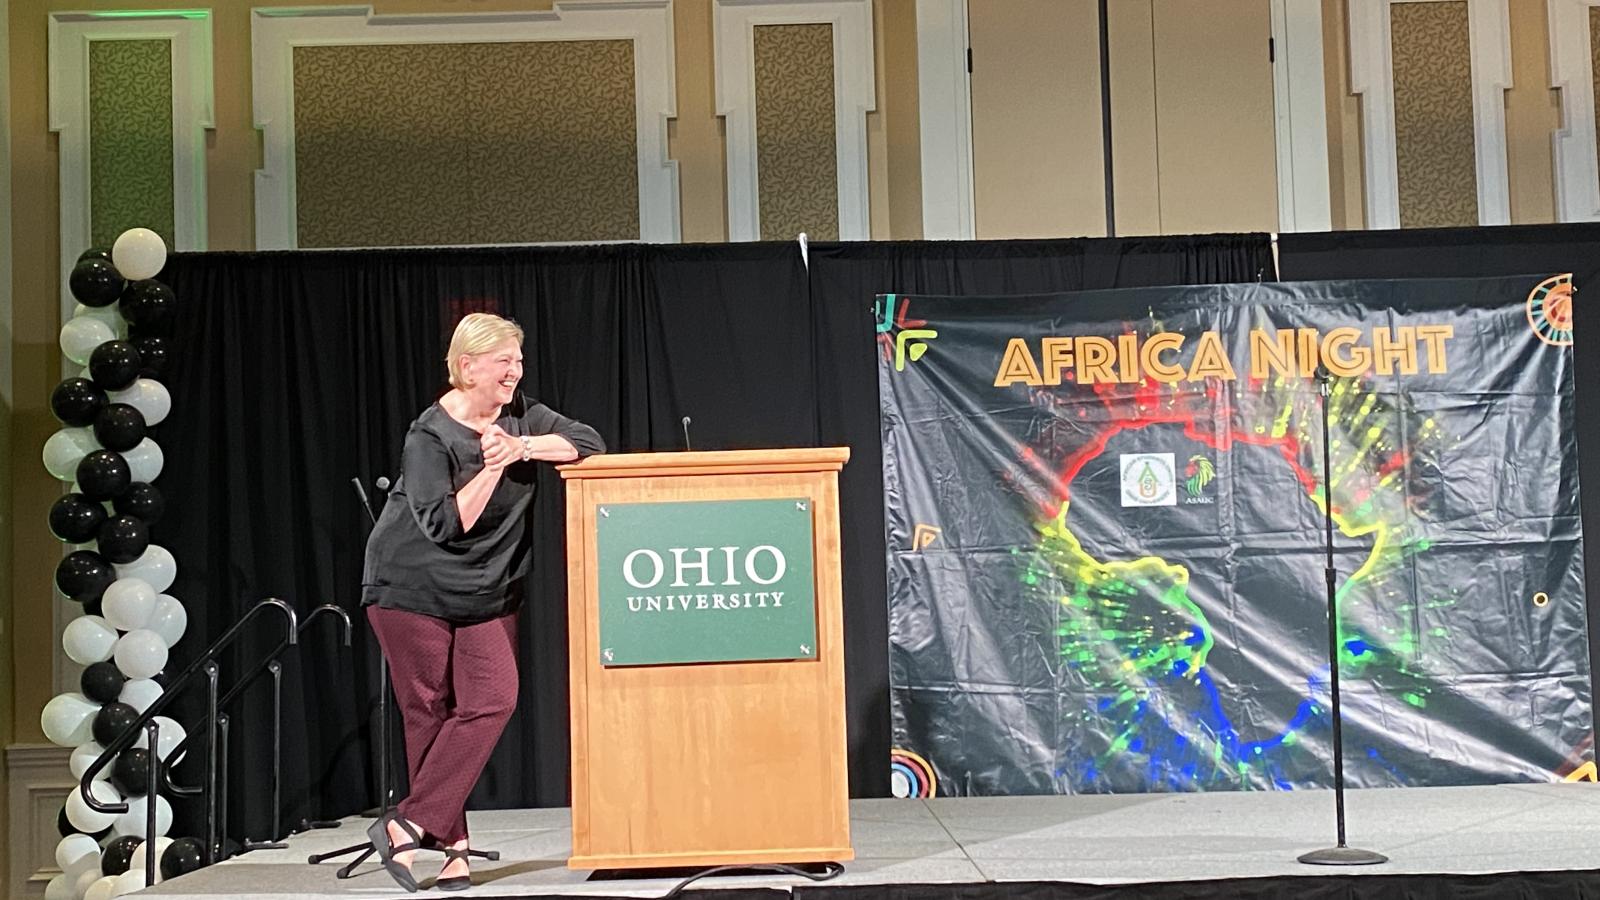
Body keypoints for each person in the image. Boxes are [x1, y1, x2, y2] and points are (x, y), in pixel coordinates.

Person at [361, 312, 605, 891]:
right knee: (428, 713)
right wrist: (494, 466)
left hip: (487, 593)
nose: (515, 371)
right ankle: (454, 849)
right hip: (410, 588)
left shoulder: (522, 415)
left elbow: (588, 443)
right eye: (504, 361)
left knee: (493, 699)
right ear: (467, 366)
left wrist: (520, 445)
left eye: (519, 361)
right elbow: (448, 525)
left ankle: (408, 824)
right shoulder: (429, 436)